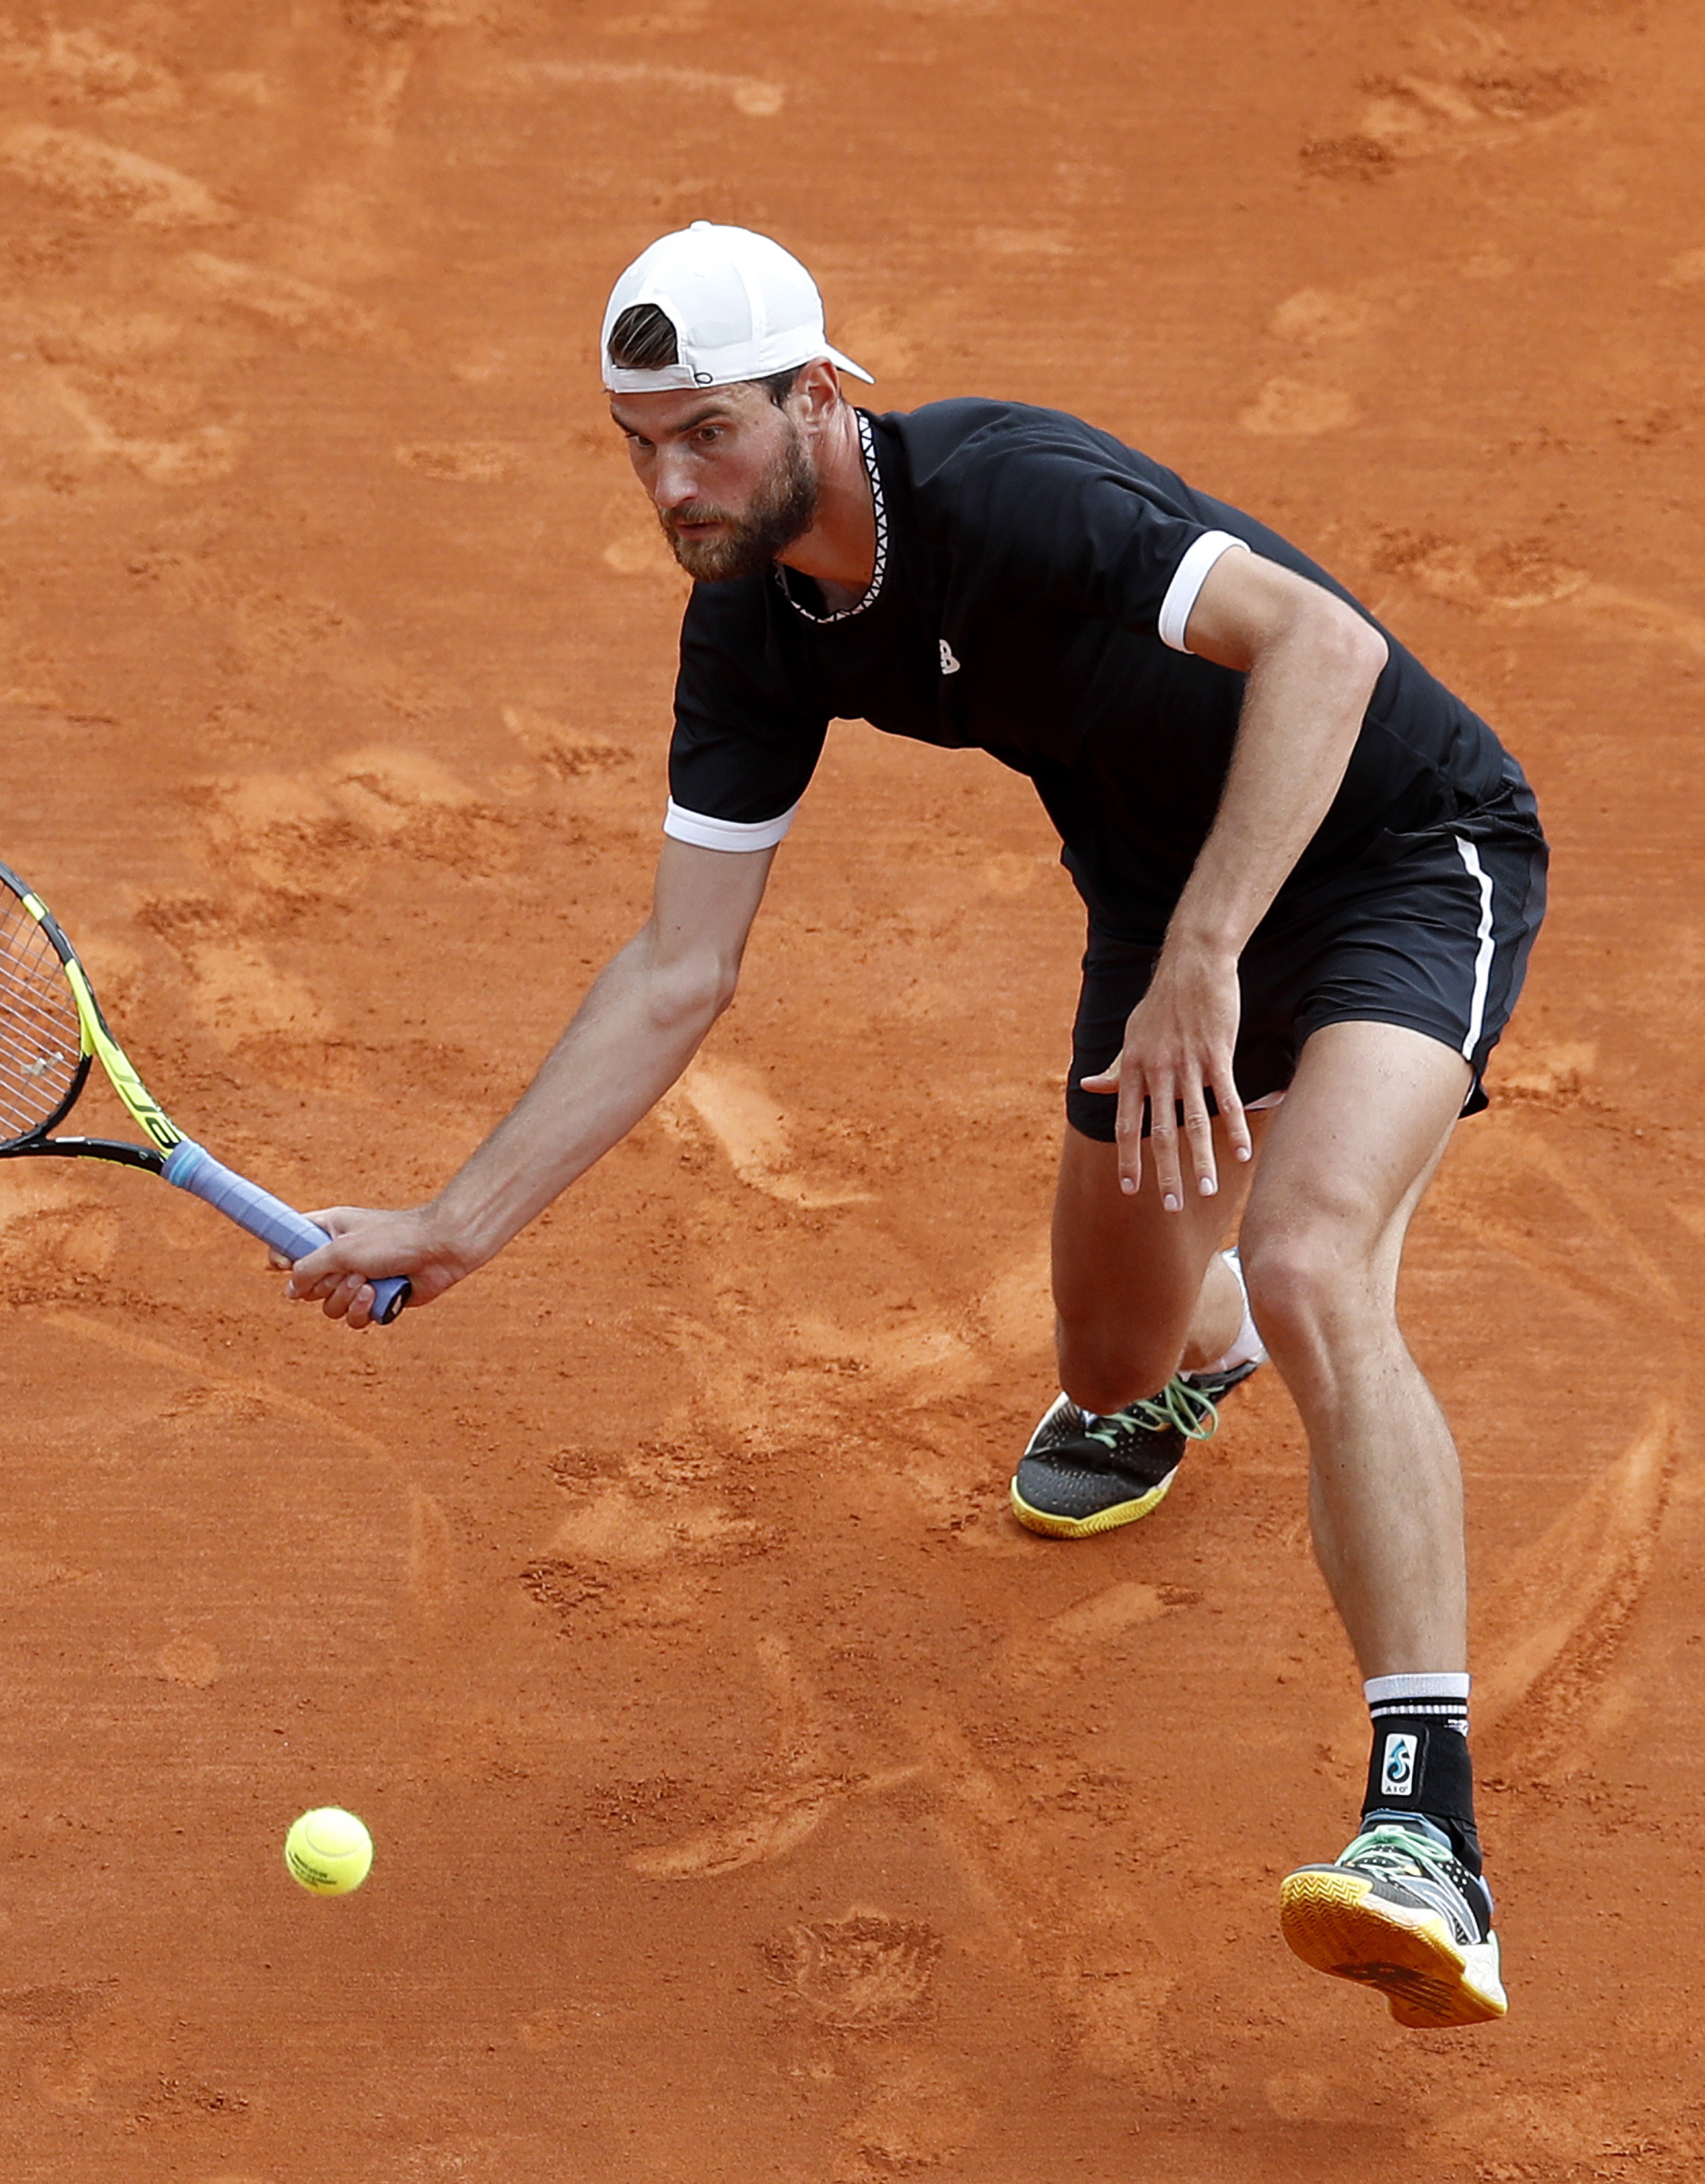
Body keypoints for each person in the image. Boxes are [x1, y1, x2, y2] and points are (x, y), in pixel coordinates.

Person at [288, 222, 1546, 2030]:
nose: (668, 479)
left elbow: (1324, 652)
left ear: (819, 394)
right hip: (1158, 899)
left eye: (706, 430)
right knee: (1113, 1364)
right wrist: (456, 1218)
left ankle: (1430, 1837)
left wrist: (1207, 956)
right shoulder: (754, 633)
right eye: (637, 442)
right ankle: (1226, 1346)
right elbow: (675, 967)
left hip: (1396, 854)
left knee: (1313, 1244)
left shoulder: (1010, 488)